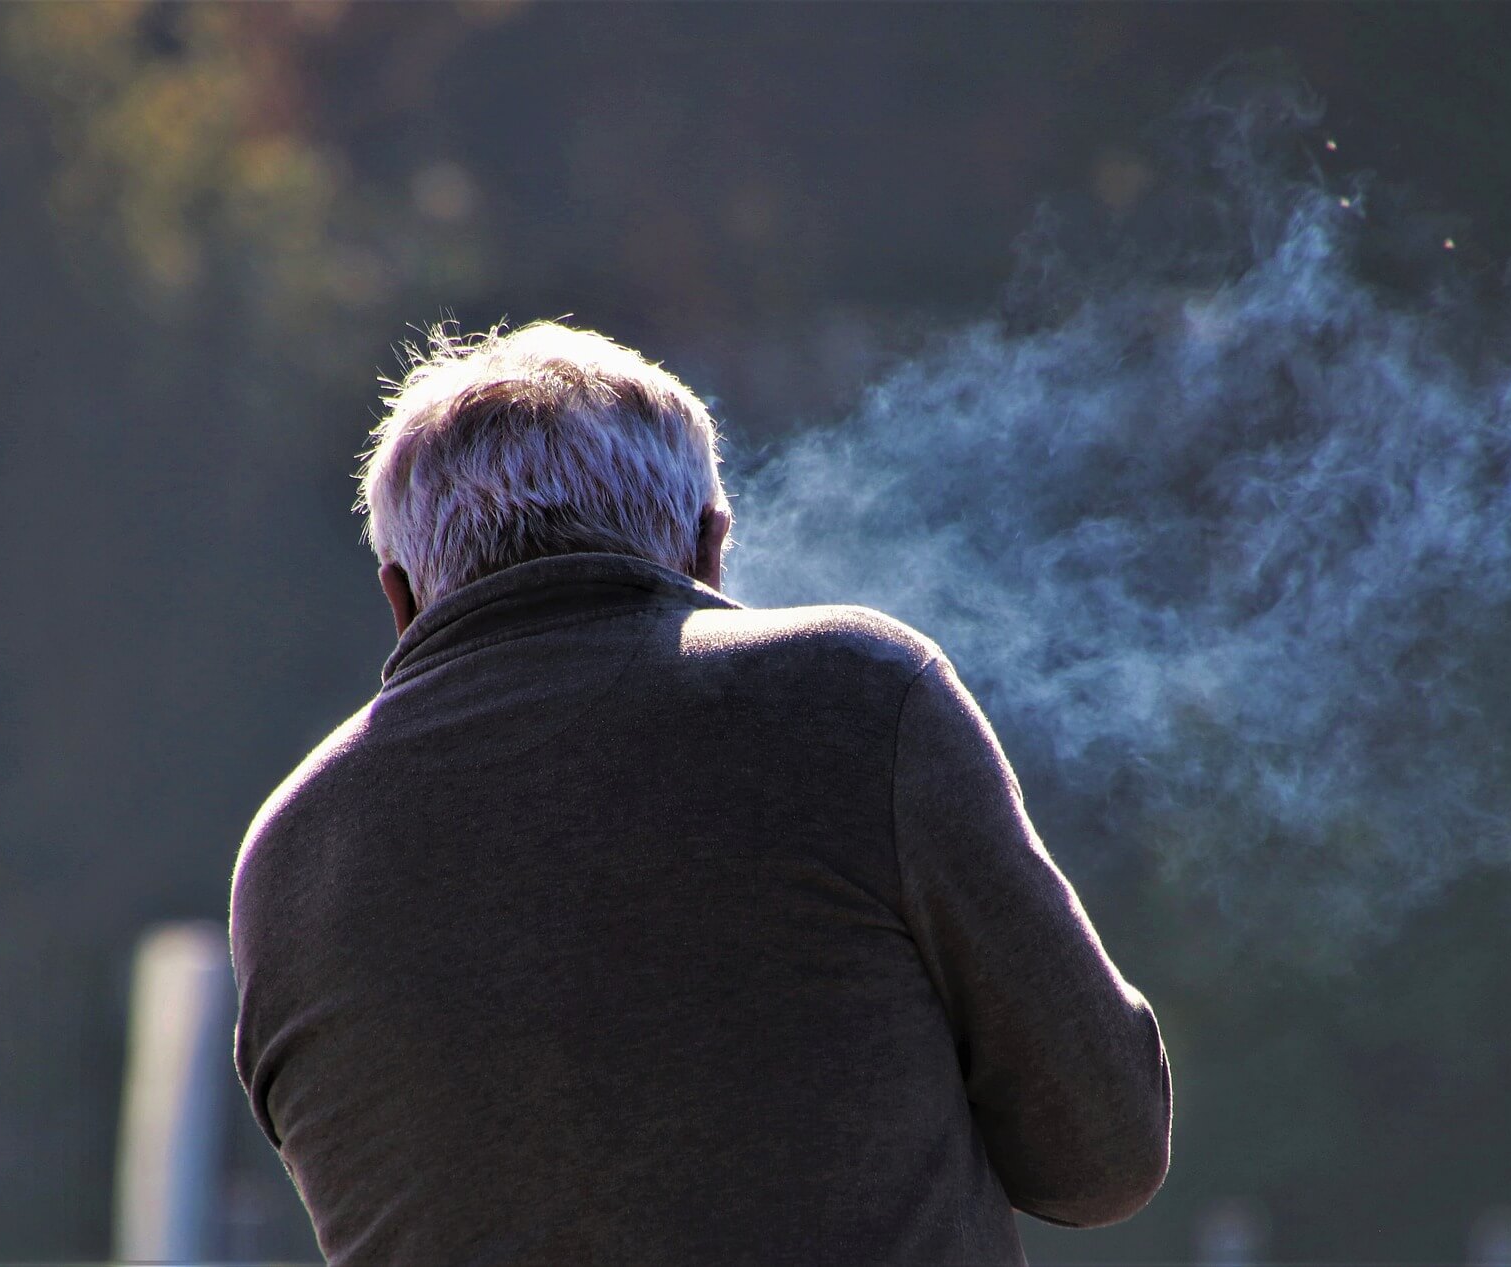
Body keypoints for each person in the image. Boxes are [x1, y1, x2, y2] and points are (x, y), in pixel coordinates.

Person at [229, 321, 1171, 1265]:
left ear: (398, 597)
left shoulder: (288, 855)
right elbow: (1105, 1153)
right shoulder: (855, 694)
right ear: (710, 547)